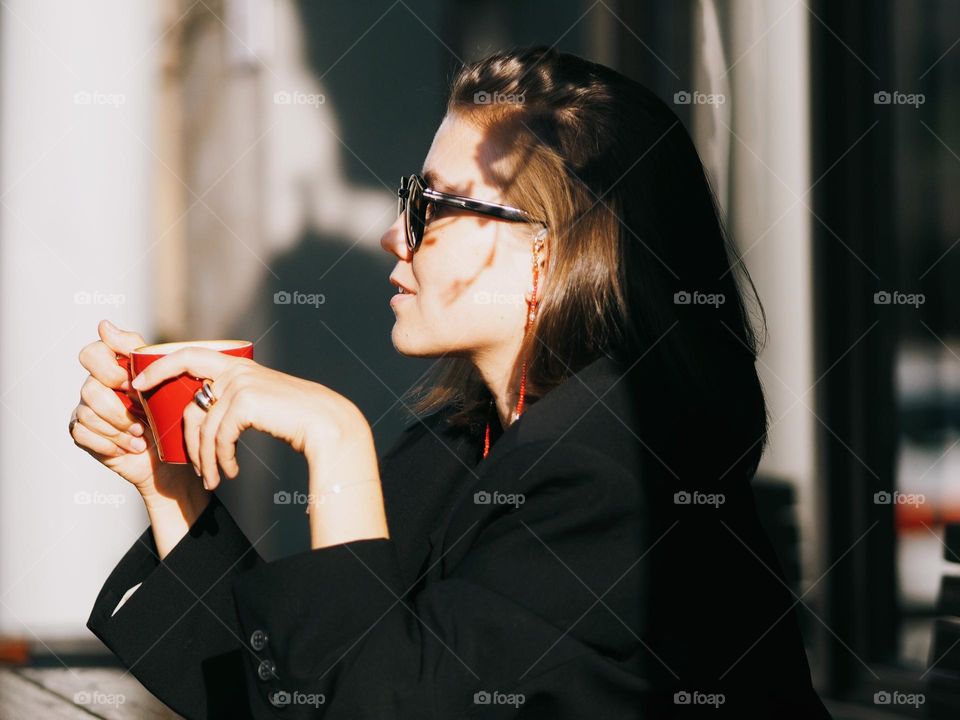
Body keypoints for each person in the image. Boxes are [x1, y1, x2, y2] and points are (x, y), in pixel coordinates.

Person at [70, 46, 832, 718]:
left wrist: (334, 438)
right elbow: (298, 687)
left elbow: (383, 705)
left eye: (431, 205)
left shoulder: (620, 474)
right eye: (411, 196)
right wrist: (171, 484)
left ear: (550, 248)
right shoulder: (464, 446)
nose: (395, 232)